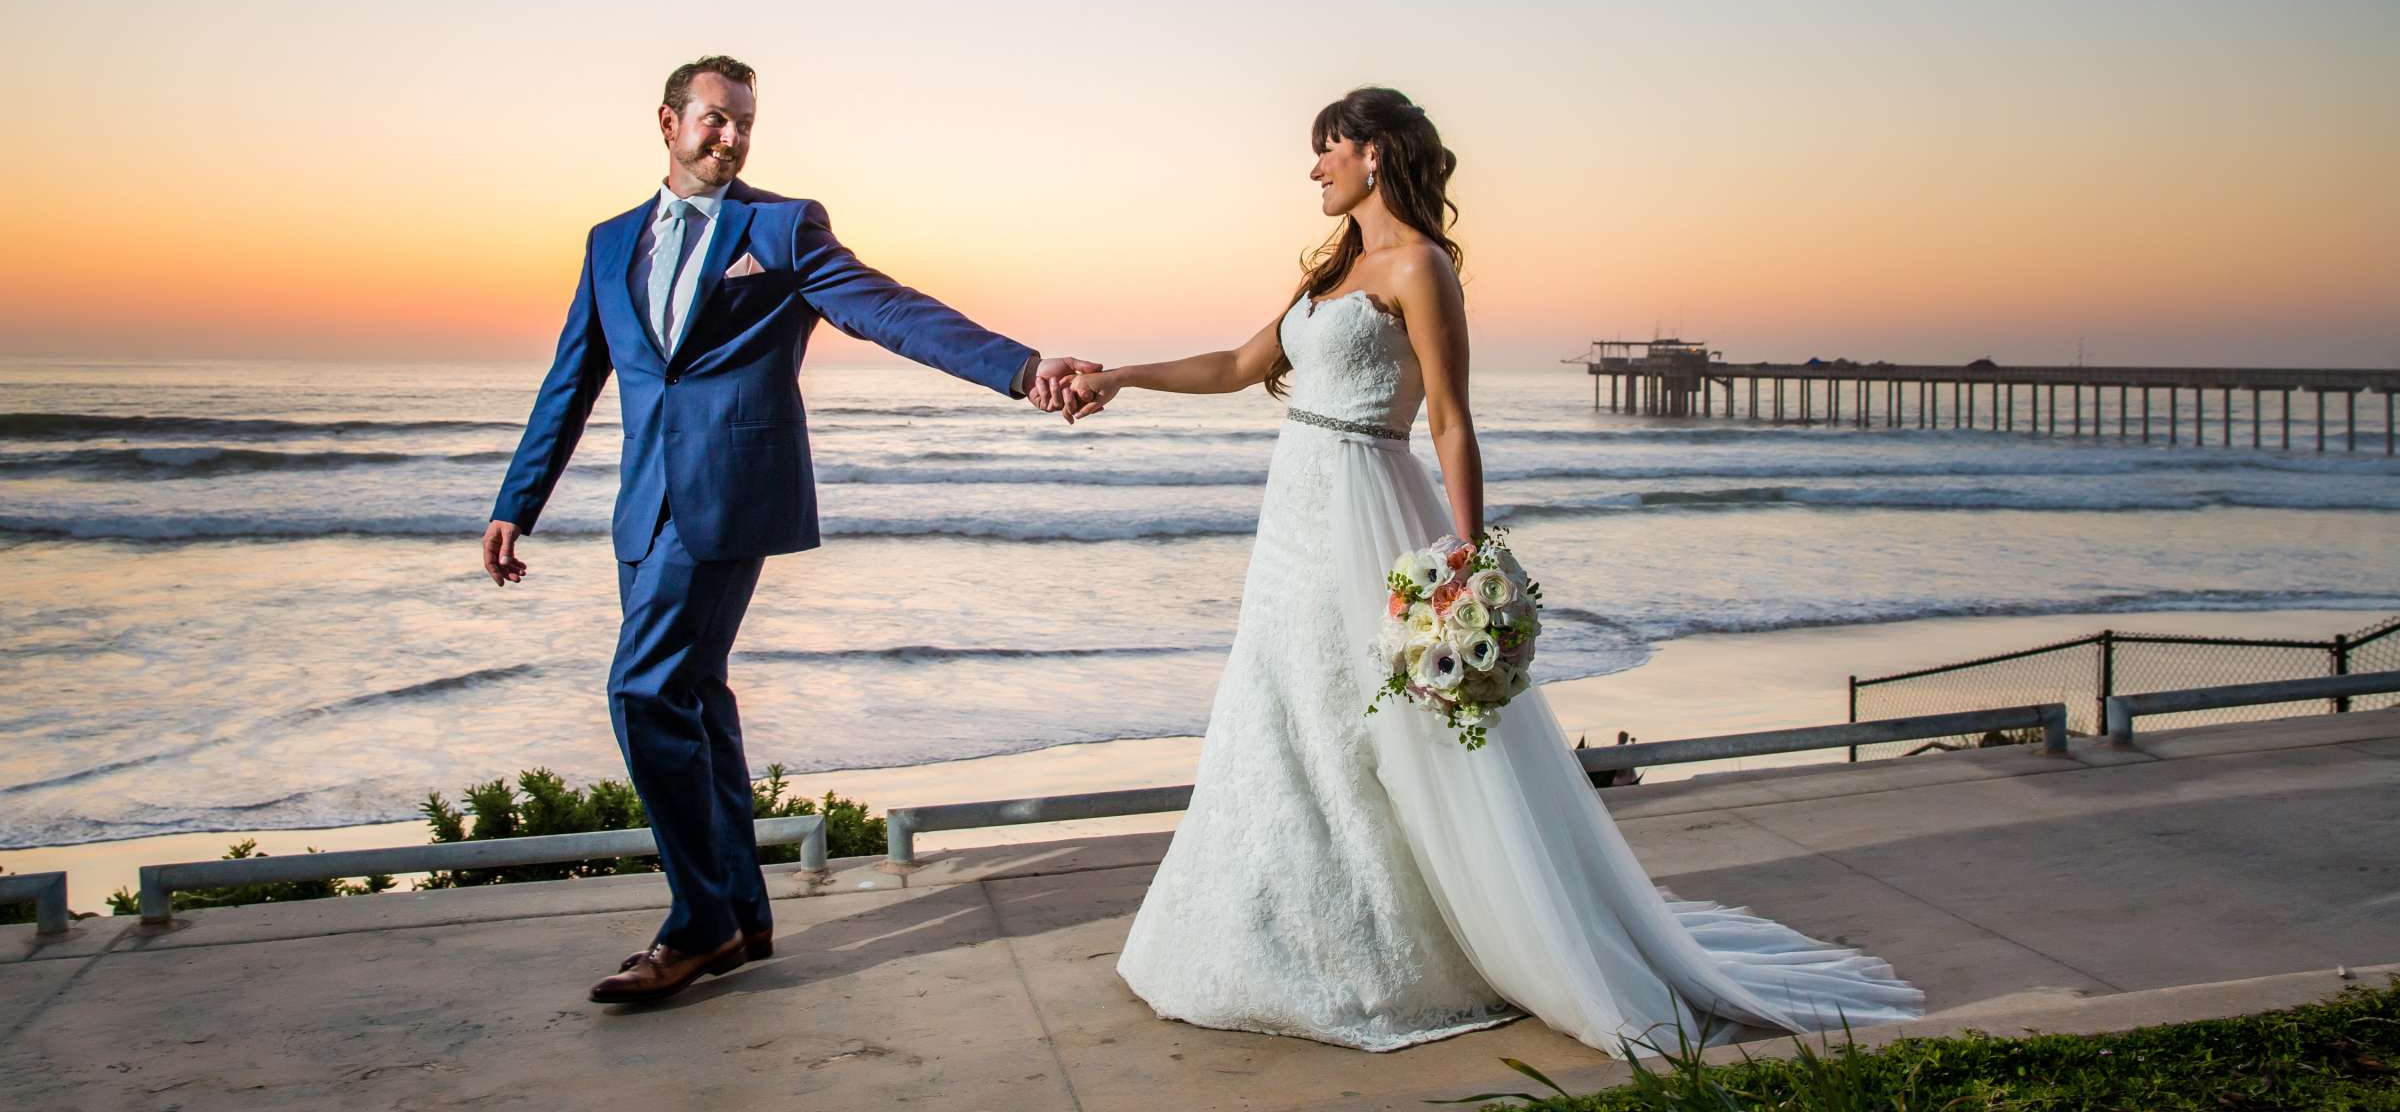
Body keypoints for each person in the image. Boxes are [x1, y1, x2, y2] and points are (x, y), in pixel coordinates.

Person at [1069, 86, 1923, 1054]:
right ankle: (1267, 929)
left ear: (1375, 156)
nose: (1314, 168)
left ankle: (1418, 947)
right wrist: (1118, 375)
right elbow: (1234, 363)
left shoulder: (1422, 267)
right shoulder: (1333, 269)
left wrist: (1464, 565)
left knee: (1382, 723)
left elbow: (1449, 419)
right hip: (1294, 519)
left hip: (1368, 507)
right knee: (1285, 709)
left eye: (1327, 150)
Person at [480, 55, 1101, 1005]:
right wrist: (516, 502)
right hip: (641, 511)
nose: (730, 138)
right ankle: (740, 917)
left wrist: (1020, 369)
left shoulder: (781, 227)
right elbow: (573, 379)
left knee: (641, 694)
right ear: (667, 122)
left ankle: (694, 925)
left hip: (730, 497)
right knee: (690, 697)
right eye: (714, 121)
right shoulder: (610, 244)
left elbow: (890, 310)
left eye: (744, 125)